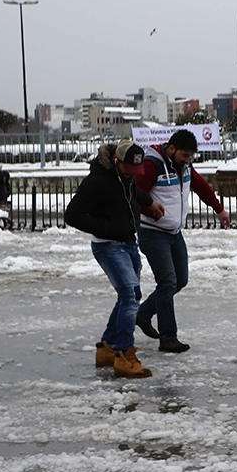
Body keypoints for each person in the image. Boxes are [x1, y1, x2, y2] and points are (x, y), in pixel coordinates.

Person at [64, 141, 166, 378]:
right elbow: (72, 215)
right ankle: (123, 354)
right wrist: (105, 229)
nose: (135, 174)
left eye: (137, 170)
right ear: (118, 162)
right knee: (130, 296)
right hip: (108, 246)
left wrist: (148, 202)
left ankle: (107, 348)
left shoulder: (125, 177)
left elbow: (131, 191)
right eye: (131, 169)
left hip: (129, 243)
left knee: (130, 295)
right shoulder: (97, 181)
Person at [132, 129, 231, 353]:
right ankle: (168, 338)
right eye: (185, 155)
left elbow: (200, 187)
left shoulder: (184, 166)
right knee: (167, 281)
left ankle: (144, 314)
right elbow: (133, 193)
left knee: (180, 280)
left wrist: (219, 209)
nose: (189, 160)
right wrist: (149, 206)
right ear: (172, 149)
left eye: (191, 156)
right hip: (152, 231)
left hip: (174, 232)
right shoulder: (152, 165)